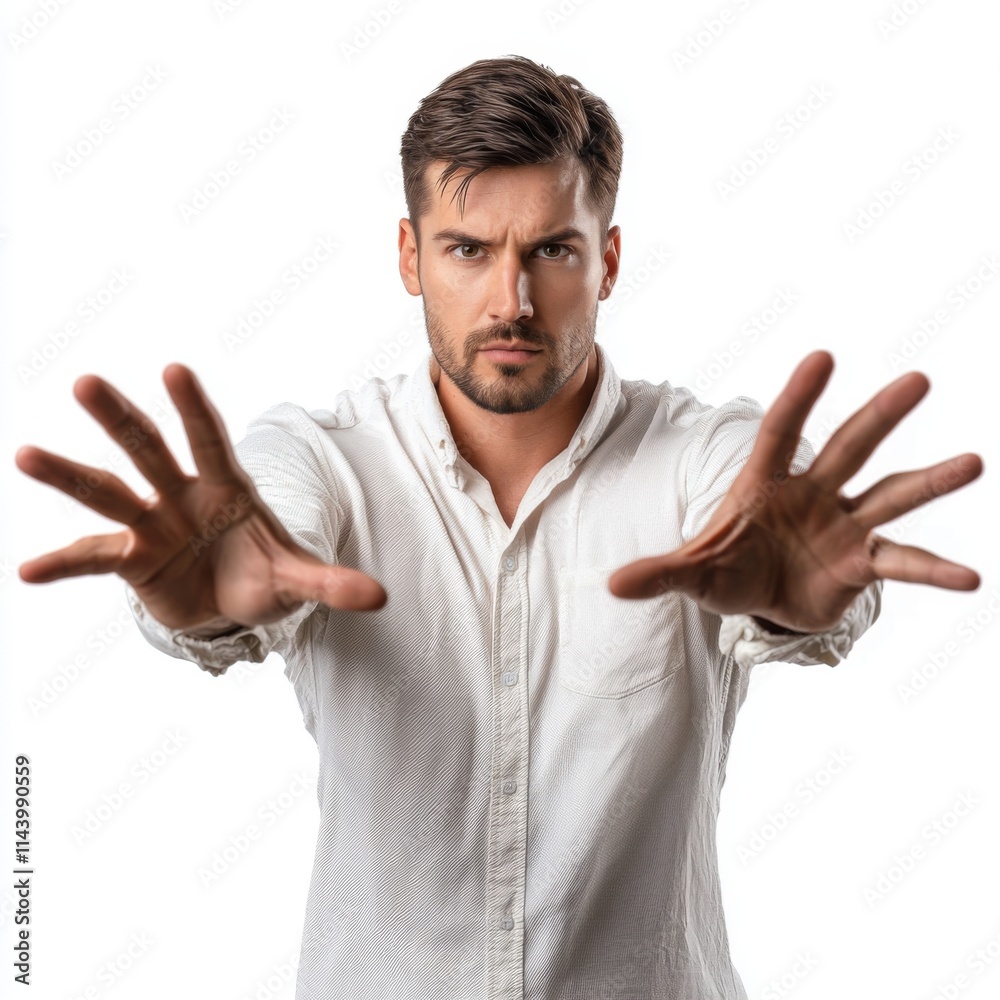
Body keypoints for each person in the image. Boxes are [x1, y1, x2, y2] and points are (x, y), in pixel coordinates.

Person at [16, 54, 982, 1000]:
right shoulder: (325, 459)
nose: (509, 302)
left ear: (606, 259)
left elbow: (766, 510)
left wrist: (802, 600)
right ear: (410, 256)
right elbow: (268, 522)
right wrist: (206, 611)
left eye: (551, 251)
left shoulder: (699, 454)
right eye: (467, 250)